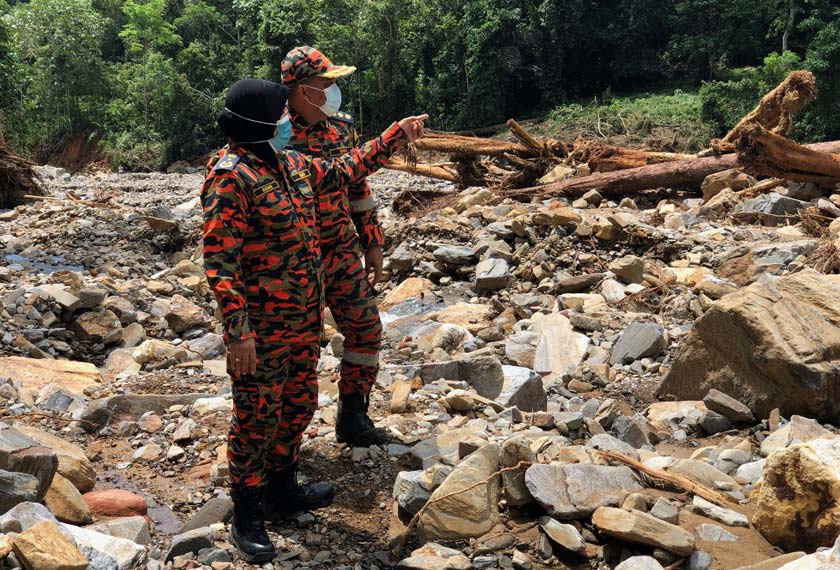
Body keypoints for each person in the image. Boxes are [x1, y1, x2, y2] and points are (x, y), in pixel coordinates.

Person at [201, 77, 426, 562]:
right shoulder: (230, 177)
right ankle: (248, 513)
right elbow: (220, 262)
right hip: (260, 331)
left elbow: (346, 168)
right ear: (262, 122)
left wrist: (395, 134)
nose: (288, 122)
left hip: (303, 321)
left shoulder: (290, 163)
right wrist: (237, 333)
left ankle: (283, 489)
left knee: (299, 405)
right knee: (256, 419)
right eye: (281, 116)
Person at [281, 45, 388, 446]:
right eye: (326, 84)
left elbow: (357, 184)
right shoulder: (274, 133)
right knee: (298, 353)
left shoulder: (340, 127)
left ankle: (353, 416)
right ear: (303, 89)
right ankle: (282, 450)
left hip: (341, 249)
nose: (332, 91)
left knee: (366, 329)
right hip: (295, 261)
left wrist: (372, 241)